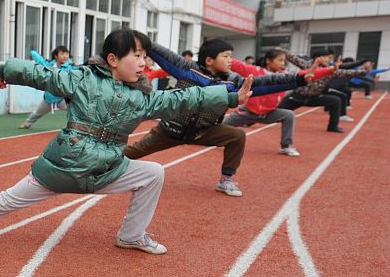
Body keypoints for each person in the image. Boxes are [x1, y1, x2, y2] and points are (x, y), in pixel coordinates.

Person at [0, 29, 251, 254]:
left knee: (153, 173)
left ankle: (131, 236)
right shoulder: (82, 78)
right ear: (112, 59)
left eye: (145, 57)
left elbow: (184, 98)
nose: (143, 63)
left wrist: (231, 95)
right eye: (136, 56)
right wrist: (4, 69)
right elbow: (43, 74)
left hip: (107, 169)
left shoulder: (143, 98)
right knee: (7, 200)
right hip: (63, 167)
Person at [124, 38, 312, 197]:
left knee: (237, 137)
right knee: (133, 152)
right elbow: (161, 53)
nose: (231, 60)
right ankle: (107, 168)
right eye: (226, 56)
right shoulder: (188, 70)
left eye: (231, 55)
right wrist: (139, 39)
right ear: (209, 60)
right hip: (170, 130)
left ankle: (225, 180)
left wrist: (300, 78)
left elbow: (268, 83)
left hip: (204, 131)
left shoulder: (232, 82)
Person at [221, 48, 333, 157]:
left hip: (269, 113)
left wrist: (329, 70)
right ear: (268, 61)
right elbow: (237, 65)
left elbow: (303, 74)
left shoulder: (284, 75)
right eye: (279, 60)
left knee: (289, 115)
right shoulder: (254, 71)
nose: (283, 63)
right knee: (217, 128)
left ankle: (286, 146)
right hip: (247, 112)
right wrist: (222, 54)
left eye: (284, 61)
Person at [280, 51, 369, 133]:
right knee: (277, 112)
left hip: (314, 98)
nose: (329, 59)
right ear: (317, 58)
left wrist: (363, 72)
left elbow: (346, 72)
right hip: (297, 97)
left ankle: (333, 127)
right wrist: (278, 50)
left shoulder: (330, 70)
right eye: (326, 57)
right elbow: (292, 58)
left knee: (336, 100)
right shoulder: (307, 65)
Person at [19, 45, 72, 129]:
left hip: (63, 98)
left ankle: (77, 127)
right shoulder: (49, 65)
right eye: (62, 54)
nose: (65, 56)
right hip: (49, 98)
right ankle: (27, 124)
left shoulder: (71, 67)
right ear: (56, 56)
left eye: (66, 54)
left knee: (74, 110)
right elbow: (39, 59)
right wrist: (32, 51)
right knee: (37, 113)